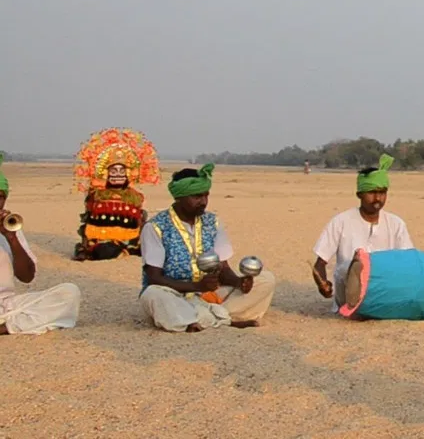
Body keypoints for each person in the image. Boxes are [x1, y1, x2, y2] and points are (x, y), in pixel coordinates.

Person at [138, 164, 277, 332]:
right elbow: (154, 277)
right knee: (153, 295)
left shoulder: (213, 222)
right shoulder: (155, 227)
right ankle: (224, 319)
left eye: (206, 195)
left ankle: (200, 320)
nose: (203, 202)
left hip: (209, 295)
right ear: (179, 197)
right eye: (197, 197)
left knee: (266, 279)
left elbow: (224, 268)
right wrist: (197, 286)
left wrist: (240, 282)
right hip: (173, 294)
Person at [311, 154, 414, 310]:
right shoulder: (341, 221)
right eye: (371, 193)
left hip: (383, 287)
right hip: (347, 293)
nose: (377, 198)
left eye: (382, 192)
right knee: (350, 266)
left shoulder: (396, 224)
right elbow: (319, 264)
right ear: (359, 194)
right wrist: (322, 283)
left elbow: (408, 260)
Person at [0, 154, 82, 335]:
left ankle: (6, 326)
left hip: (5, 305)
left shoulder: (9, 227)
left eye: (0, 197)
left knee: (69, 293)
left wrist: (12, 239)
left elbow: (27, 277)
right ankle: (18, 324)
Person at [72, 127, 160, 260]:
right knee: (103, 250)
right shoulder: (98, 194)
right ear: (106, 174)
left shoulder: (134, 196)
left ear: (128, 175)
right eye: (113, 172)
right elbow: (88, 216)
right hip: (100, 237)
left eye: (121, 172)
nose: (117, 176)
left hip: (129, 237)